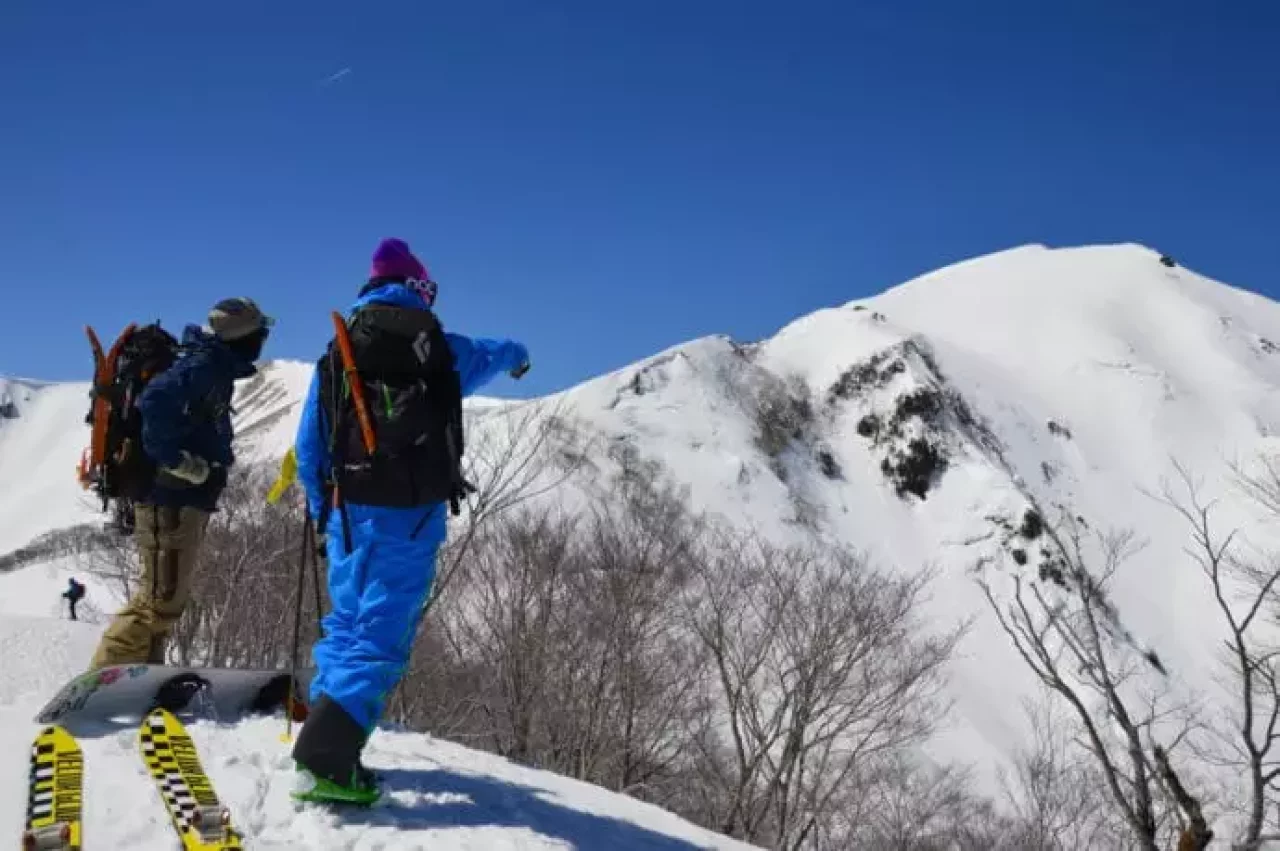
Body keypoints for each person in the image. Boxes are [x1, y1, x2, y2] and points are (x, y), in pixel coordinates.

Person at [291, 237, 529, 802]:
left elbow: (309, 446)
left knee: (348, 621)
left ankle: (324, 730)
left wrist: (324, 510)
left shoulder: (340, 352)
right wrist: (520, 355)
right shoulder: (442, 350)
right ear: (418, 288)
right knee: (381, 634)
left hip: (348, 509)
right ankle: (327, 759)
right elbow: (499, 351)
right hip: (411, 516)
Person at [88, 298, 274, 669]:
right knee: (159, 602)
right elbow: (154, 403)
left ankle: (142, 678)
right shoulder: (202, 366)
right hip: (169, 499)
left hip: (182, 500)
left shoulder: (213, 366)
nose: (263, 339)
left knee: (166, 599)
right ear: (240, 336)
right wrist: (182, 464)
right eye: (260, 332)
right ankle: (98, 683)